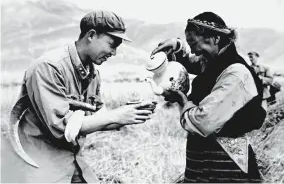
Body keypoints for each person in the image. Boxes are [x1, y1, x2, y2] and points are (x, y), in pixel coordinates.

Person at [2, 11, 155, 183]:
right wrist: (116, 115)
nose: (114, 53)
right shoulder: (49, 68)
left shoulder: (92, 74)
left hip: (71, 161)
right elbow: (62, 128)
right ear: (91, 35)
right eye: (112, 44)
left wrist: (129, 113)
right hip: (38, 165)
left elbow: (100, 118)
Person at [152, 12, 266, 183]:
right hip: (208, 159)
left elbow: (202, 121)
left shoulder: (236, 74)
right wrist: (176, 46)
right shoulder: (215, 61)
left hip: (226, 162)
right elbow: (192, 61)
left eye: (193, 42)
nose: (193, 50)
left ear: (215, 39)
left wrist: (181, 100)